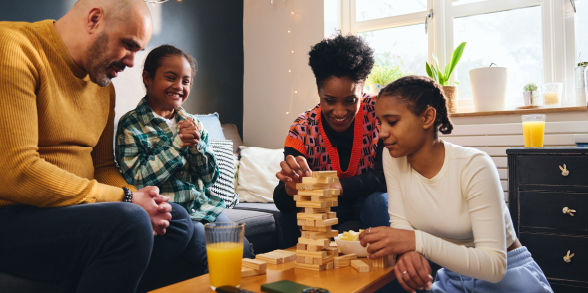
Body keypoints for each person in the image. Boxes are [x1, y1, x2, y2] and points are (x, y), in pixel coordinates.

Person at [0, 1, 207, 292]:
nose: (133, 62)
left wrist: (143, 199)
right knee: (132, 223)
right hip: (14, 214)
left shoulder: (103, 88)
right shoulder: (14, 47)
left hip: (71, 213)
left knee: (178, 220)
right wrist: (126, 199)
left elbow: (103, 167)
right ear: (94, 19)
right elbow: (17, 172)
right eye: (128, 45)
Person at [360, 75, 553, 293]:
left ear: (427, 117)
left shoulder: (475, 166)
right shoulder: (392, 157)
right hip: (452, 278)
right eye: (379, 123)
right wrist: (408, 252)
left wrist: (416, 242)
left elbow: (494, 267)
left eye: (392, 122)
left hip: (508, 279)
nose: (382, 133)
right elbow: (401, 223)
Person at [115, 44, 255, 258]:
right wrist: (176, 146)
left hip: (203, 208)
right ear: (147, 78)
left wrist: (197, 147)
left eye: (186, 81)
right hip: (169, 213)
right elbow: (138, 179)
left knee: (243, 249)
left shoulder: (193, 124)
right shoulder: (132, 125)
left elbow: (209, 179)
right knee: (204, 248)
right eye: (171, 77)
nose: (179, 86)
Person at [273, 34, 389, 248]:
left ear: (362, 90)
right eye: (329, 100)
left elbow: (386, 178)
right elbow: (281, 199)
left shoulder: (380, 115)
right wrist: (291, 188)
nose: (339, 111)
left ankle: (385, 273)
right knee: (292, 213)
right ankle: (297, 275)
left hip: (369, 204)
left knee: (378, 201)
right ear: (319, 92)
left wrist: (338, 186)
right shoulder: (302, 129)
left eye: (350, 101)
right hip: (325, 210)